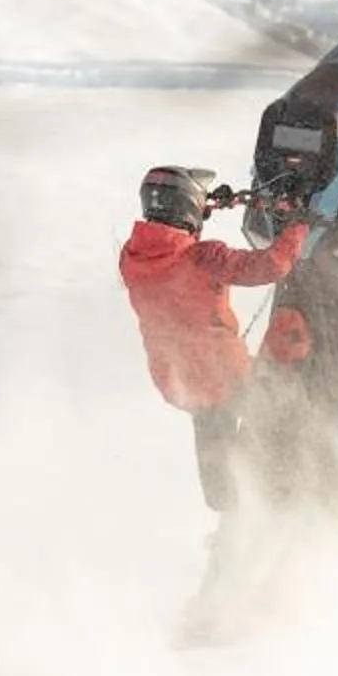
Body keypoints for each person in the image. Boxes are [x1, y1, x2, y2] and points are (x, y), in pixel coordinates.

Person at [119, 166, 311, 511]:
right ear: (188, 209)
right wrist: (299, 225)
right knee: (290, 405)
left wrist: (204, 205)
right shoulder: (204, 257)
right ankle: (304, 489)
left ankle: (225, 501)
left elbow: (169, 249)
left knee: (211, 424)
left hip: (177, 381)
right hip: (227, 376)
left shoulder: (131, 258)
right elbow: (273, 266)